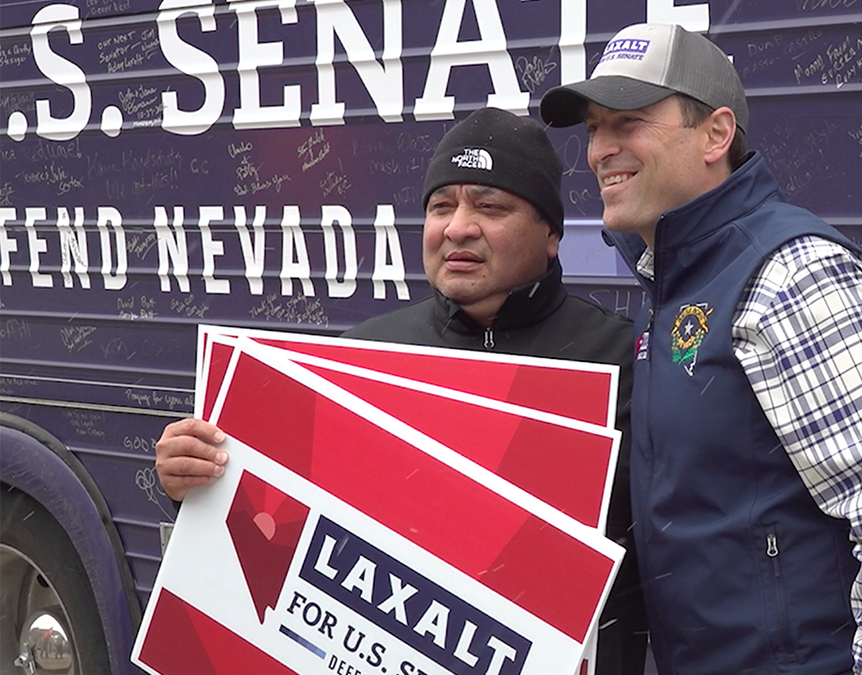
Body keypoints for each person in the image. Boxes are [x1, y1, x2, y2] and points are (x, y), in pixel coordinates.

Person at [155, 108, 647, 675]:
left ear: (552, 236)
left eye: (490, 206)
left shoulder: (622, 361)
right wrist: (194, 477)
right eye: (442, 207)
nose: (458, 227)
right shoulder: (367, 356)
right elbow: (275, 530)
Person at [539, 23, 862, 675]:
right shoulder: (672, 280)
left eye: (627, 121)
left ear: (717, 134)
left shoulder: (795, 274)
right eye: (594, 128)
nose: (599, 150)